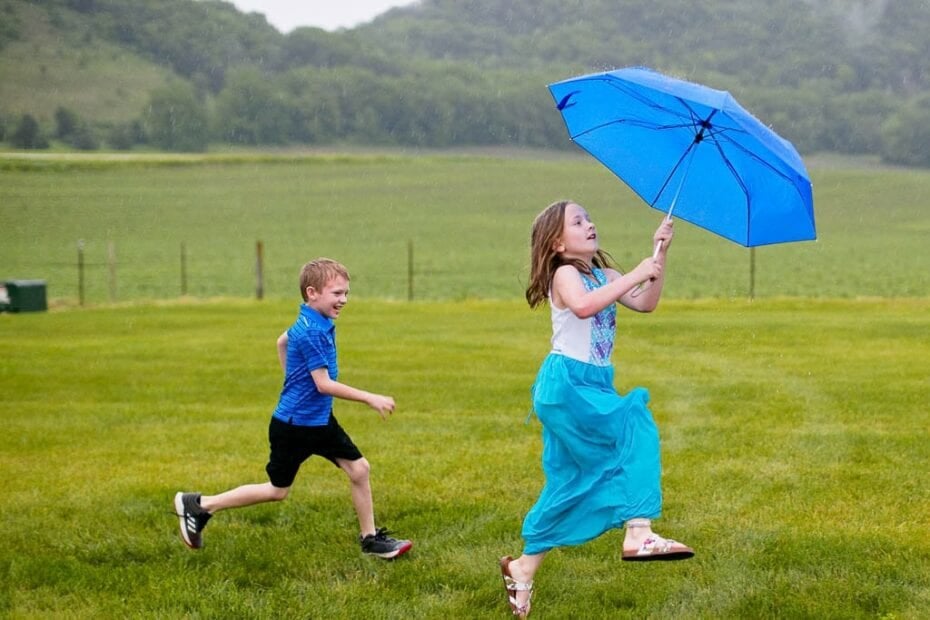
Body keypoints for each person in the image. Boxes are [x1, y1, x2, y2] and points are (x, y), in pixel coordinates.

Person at [499, 201, 693, 618]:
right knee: (636, 423)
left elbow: (645, 303)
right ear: (556, 243)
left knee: (573, 480)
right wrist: (638, 274)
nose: (590, 224)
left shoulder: (606, 275)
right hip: (567, 384)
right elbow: (584, 306)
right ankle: (639, 530)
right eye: (579, 220)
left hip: (593, 383)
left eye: (589, 217)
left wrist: (660, 255)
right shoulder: (565, 274)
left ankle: (523, 567)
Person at [174, 258, 412, 560]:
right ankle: (199, 505)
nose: (344, 300)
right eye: (337, 293)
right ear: (312, 292)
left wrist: (292, 381)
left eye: (346, 293)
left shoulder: (312, 320)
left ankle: (370, 540)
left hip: (318, 421)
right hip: (295, 427)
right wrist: (369, 397)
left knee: (359, 469)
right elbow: (324, 384)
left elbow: (281, 341)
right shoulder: (312, 331)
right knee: (277, 491)